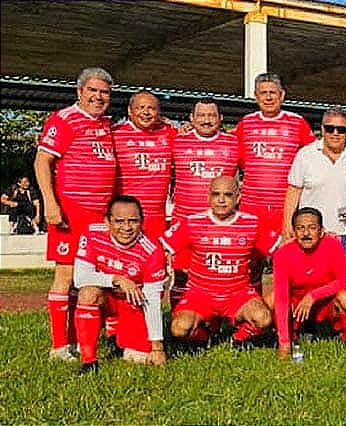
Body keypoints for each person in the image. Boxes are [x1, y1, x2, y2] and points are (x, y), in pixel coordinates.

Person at [34, 67, 117, 361]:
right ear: (79, 92)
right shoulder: (64, 119)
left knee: (92, 279)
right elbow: (42, 161)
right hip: (70, 212)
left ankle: (82, 339)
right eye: (92, 91)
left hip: (100, 217)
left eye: (104, 92)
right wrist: (50, 203)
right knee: (66, 275)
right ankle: (59, 346)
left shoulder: (106, 125)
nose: (98, 96)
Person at [161, 176, 278, 350]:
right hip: (200, 295)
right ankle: (204, 337)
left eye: (228, 195)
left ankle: (238, 339)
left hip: (238, 294)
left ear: (238, 198)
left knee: (263, 319)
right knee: (179, 329)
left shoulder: (252, 223)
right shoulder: (193, 222)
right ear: (208, 197)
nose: (221, 200)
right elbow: (160, 248)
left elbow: (282, 251)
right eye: (216, 194)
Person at [235, 72, 315, 290]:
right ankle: (254, 317)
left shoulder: (297, 123)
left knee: (288, 265)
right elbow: (239, 160)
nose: (268, 97)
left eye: (272, 93)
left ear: (282, 95)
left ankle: (289, 319)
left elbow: (314, 156)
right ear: (255, 96)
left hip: (284, 208)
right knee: (250, 266)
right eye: (263, 93)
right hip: (252, 207)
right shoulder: (246, 124)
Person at [73, 195, 168, 373]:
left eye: (133, 221)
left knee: (136, 358)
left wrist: (157, 347)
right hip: (107, 299)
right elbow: (80, 278)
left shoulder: (153, 251)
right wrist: (116, 279)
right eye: (119, 221)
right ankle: (89, 361)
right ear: (107, 221)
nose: (126, 227)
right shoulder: (92, 233)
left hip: (134, 304)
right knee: (88, 293)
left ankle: (118, 330)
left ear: (142, 221)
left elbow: (153, 301)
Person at [169, 98, 240, 308]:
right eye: (201, 115)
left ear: (221, 119)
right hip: (185, 223)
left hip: (221, 225)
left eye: (211, 116)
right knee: (181, 275)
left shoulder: (234, 143)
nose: (206, 120)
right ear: (191, 118)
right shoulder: (176, 141)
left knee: (217, 275)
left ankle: (213, 323)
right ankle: (178, 322)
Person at [282, 107, 346, 264]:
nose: (335, 133)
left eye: (341, 129)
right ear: (322, 129)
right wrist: (287, 227)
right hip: (310, 233)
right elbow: (293, 191)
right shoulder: (305, 155)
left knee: (343, 284)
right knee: (309, 283)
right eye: (330, 128)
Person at [266, 207, 346, 360]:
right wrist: (284, 343)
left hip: (325, 305)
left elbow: (345, 280)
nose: (306, 233)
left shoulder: (333, 245)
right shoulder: (283, 254)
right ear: (294, 232)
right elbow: (282, 296)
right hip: (298, 308)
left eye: (312, 228)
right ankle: (291, 335)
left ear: (321, 231)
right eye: (300, 228)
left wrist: (313, 296)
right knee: (271, 299)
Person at [113, 90, 176, 240]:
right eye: (140, 107)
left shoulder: (169, 133)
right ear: (130, 110)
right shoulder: (114, 134)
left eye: (151, 108)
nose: (146, 112)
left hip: (156, 219)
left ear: (158, 112)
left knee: (155, 261)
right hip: (125, 217)